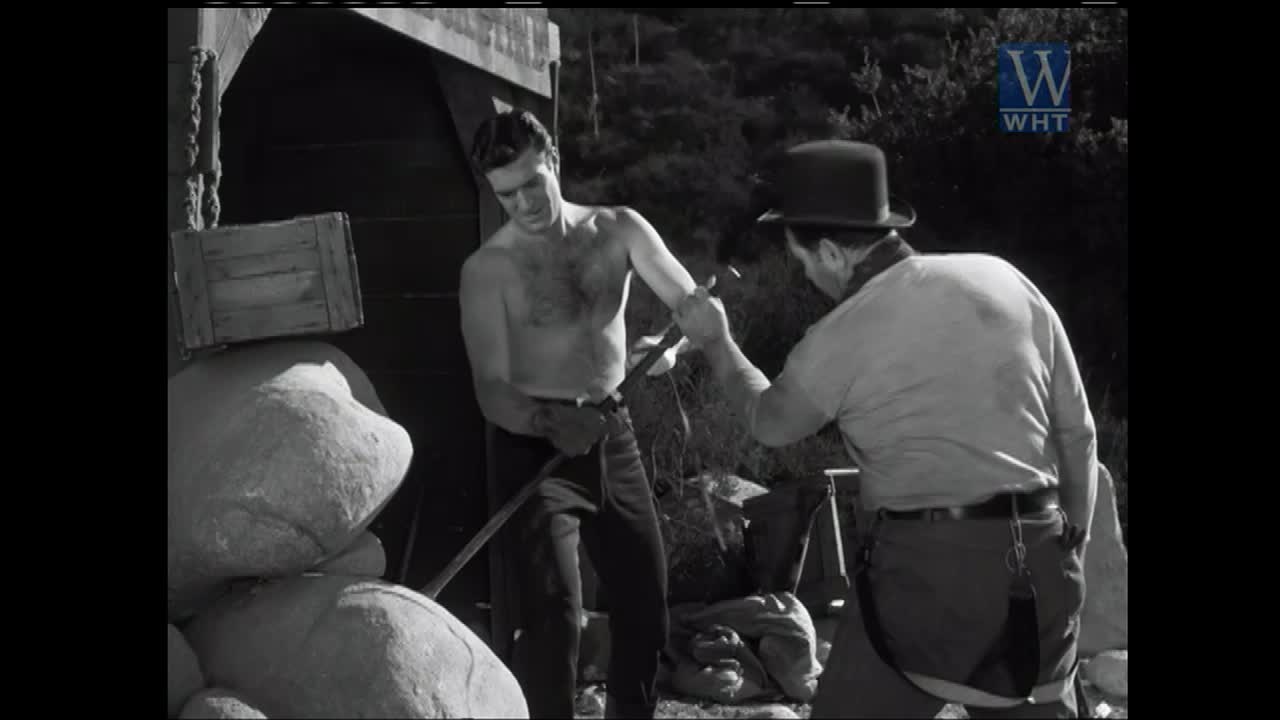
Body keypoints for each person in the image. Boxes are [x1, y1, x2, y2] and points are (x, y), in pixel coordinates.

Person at [671, 140, 1099, 718]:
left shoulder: (843, 331)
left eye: (802, 262)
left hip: (924, 575)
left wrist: (716, 342)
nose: (806, 276)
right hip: (1044, 562)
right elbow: (1079, 437)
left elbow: (769, 422)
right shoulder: (1007, 279)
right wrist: (1070, 546)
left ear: (829, 252)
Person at [458, 108, 699, 719]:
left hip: (613, 434)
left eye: (533, 183)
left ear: (555, 162)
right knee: (555, 615)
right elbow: (491, 388)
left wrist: (668, 347)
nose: (525, 204)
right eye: (506, 194)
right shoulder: (487, 271)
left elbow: (689, 304)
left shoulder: (619, 229)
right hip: (535, 445)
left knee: (646, 600)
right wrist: (547, 422)